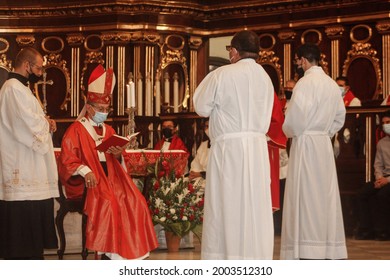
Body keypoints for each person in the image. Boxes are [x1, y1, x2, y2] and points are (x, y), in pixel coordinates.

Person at [58, 64, 158, 260]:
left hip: (111, 176)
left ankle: (129, 254)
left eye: (106, 109)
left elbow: (115, 158)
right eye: (100, 109)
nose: (104, 112)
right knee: (110, 203)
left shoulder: (108, 130)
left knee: (135, 200)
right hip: (88, 181)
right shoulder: (76, 130)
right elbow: (67, 159)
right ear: (88, 108)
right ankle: (106, 253)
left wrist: (119, 152)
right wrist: (85, 171)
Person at [193, 30, 275, 259]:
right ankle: (255, 258)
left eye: (229, 49)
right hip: (257, 148)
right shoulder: (265, 77)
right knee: (254, 204)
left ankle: (226, 259)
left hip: (229, 149)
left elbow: (201, 107)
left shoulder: (222, 74)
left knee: (226, 204)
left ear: (235, 51)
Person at [280, 43, 347, 260]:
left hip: (306, 143)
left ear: (304, 60)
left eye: (298, 60)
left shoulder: (304, 83)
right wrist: (325, 132)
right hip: (323, 145)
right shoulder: (330, 84)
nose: (298, 64)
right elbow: (339, 117)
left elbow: (296, 118)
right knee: (324, 194)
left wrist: (288, 130)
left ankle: (307, 248)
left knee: (306, 195)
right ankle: (327, 246)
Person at [0, 47, 58, 259]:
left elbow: (34, 119)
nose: (40, 73)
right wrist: (45, 125)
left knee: (32, 237)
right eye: (38, 68)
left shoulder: (22, 89)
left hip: (30, 166)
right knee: (22, 233)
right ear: (27, 66)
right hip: (21, 167)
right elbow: (23, 125)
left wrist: (46, 122)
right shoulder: (12, 88)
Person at [153, 119, 191, 249]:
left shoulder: (179, 143)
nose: (167, 129)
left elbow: (182, 159)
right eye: (164, 127)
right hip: (161, 179)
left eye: (169, 126)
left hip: (174, 178)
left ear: (175, 129)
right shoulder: (159, 143)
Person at [355, 110, 390, 241]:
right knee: (362, 194)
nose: (386, 125)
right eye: (384, 123)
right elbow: (378, 164)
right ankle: (366, 230)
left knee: (382, 195)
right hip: (383, 178)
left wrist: (387, 180)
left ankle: (383, 231)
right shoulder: (382, 143)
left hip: (389, 180)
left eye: (388, 122)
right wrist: (379, 178)